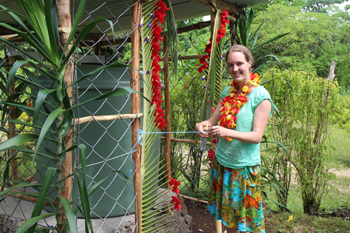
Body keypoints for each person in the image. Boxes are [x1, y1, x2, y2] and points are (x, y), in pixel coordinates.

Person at [195, 45, 273, 233]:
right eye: (230, 65)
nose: (235, 69)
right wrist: (201, 126)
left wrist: (226, 132)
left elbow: (256, 137)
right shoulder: (227, 93)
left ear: (249, 63)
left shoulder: (260, 96)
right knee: (228, 221)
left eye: (239, 63)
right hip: (223, 165)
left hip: (243, 169)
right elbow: (211, 121)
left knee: (245, 225)